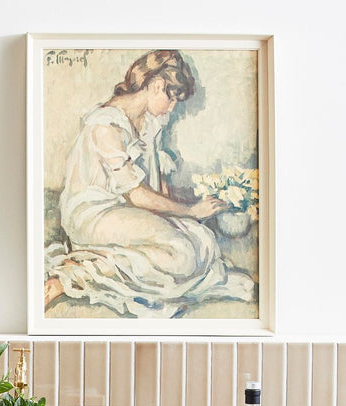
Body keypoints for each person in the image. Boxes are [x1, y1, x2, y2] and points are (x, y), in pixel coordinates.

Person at [45, 50, 255, 318]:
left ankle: (105, 263)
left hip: (126, 209)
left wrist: (187, 209)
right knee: (182, 256)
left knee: (202, 241)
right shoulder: (105, 126)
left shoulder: (150, 121)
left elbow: (154, 185)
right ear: (156, 86)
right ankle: (78, 273)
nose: (172, 108)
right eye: (172, 99)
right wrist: (191, 211)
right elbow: (136, 195)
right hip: (94, 214)